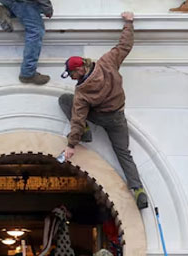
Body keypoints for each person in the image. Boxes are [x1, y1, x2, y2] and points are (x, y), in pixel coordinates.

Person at [59, 11, 149, 210]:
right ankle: (138, 189)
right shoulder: (107, 62)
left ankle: (86, 133)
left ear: (80, 69)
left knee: (66, 100)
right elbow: (125, 45)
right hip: (117, 117)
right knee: (123, 153)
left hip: (100, 116)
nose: (72, 77)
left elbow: (77, 118)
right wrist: (128, 22)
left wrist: (71, 144)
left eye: (72, 73)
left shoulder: (81, 92)